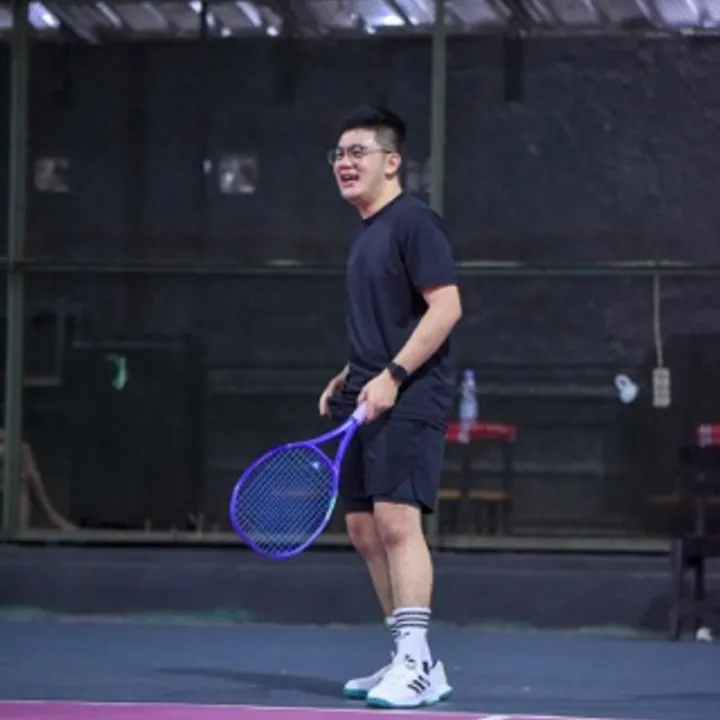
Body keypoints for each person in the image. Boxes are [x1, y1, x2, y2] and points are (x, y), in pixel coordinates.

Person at [318, 106, 463, 709]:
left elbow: (446, 307)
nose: (345, 163)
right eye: (339, 155)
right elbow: (388, 323)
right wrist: (350, 373)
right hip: (366, 393)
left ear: (392, 161)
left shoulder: (414, 223)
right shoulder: (367, 234)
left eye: (359, 152)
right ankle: (413, 659)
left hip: (409, 395)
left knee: (398, 523)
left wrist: (394, 376)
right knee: (363, 528)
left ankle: (415, 661)